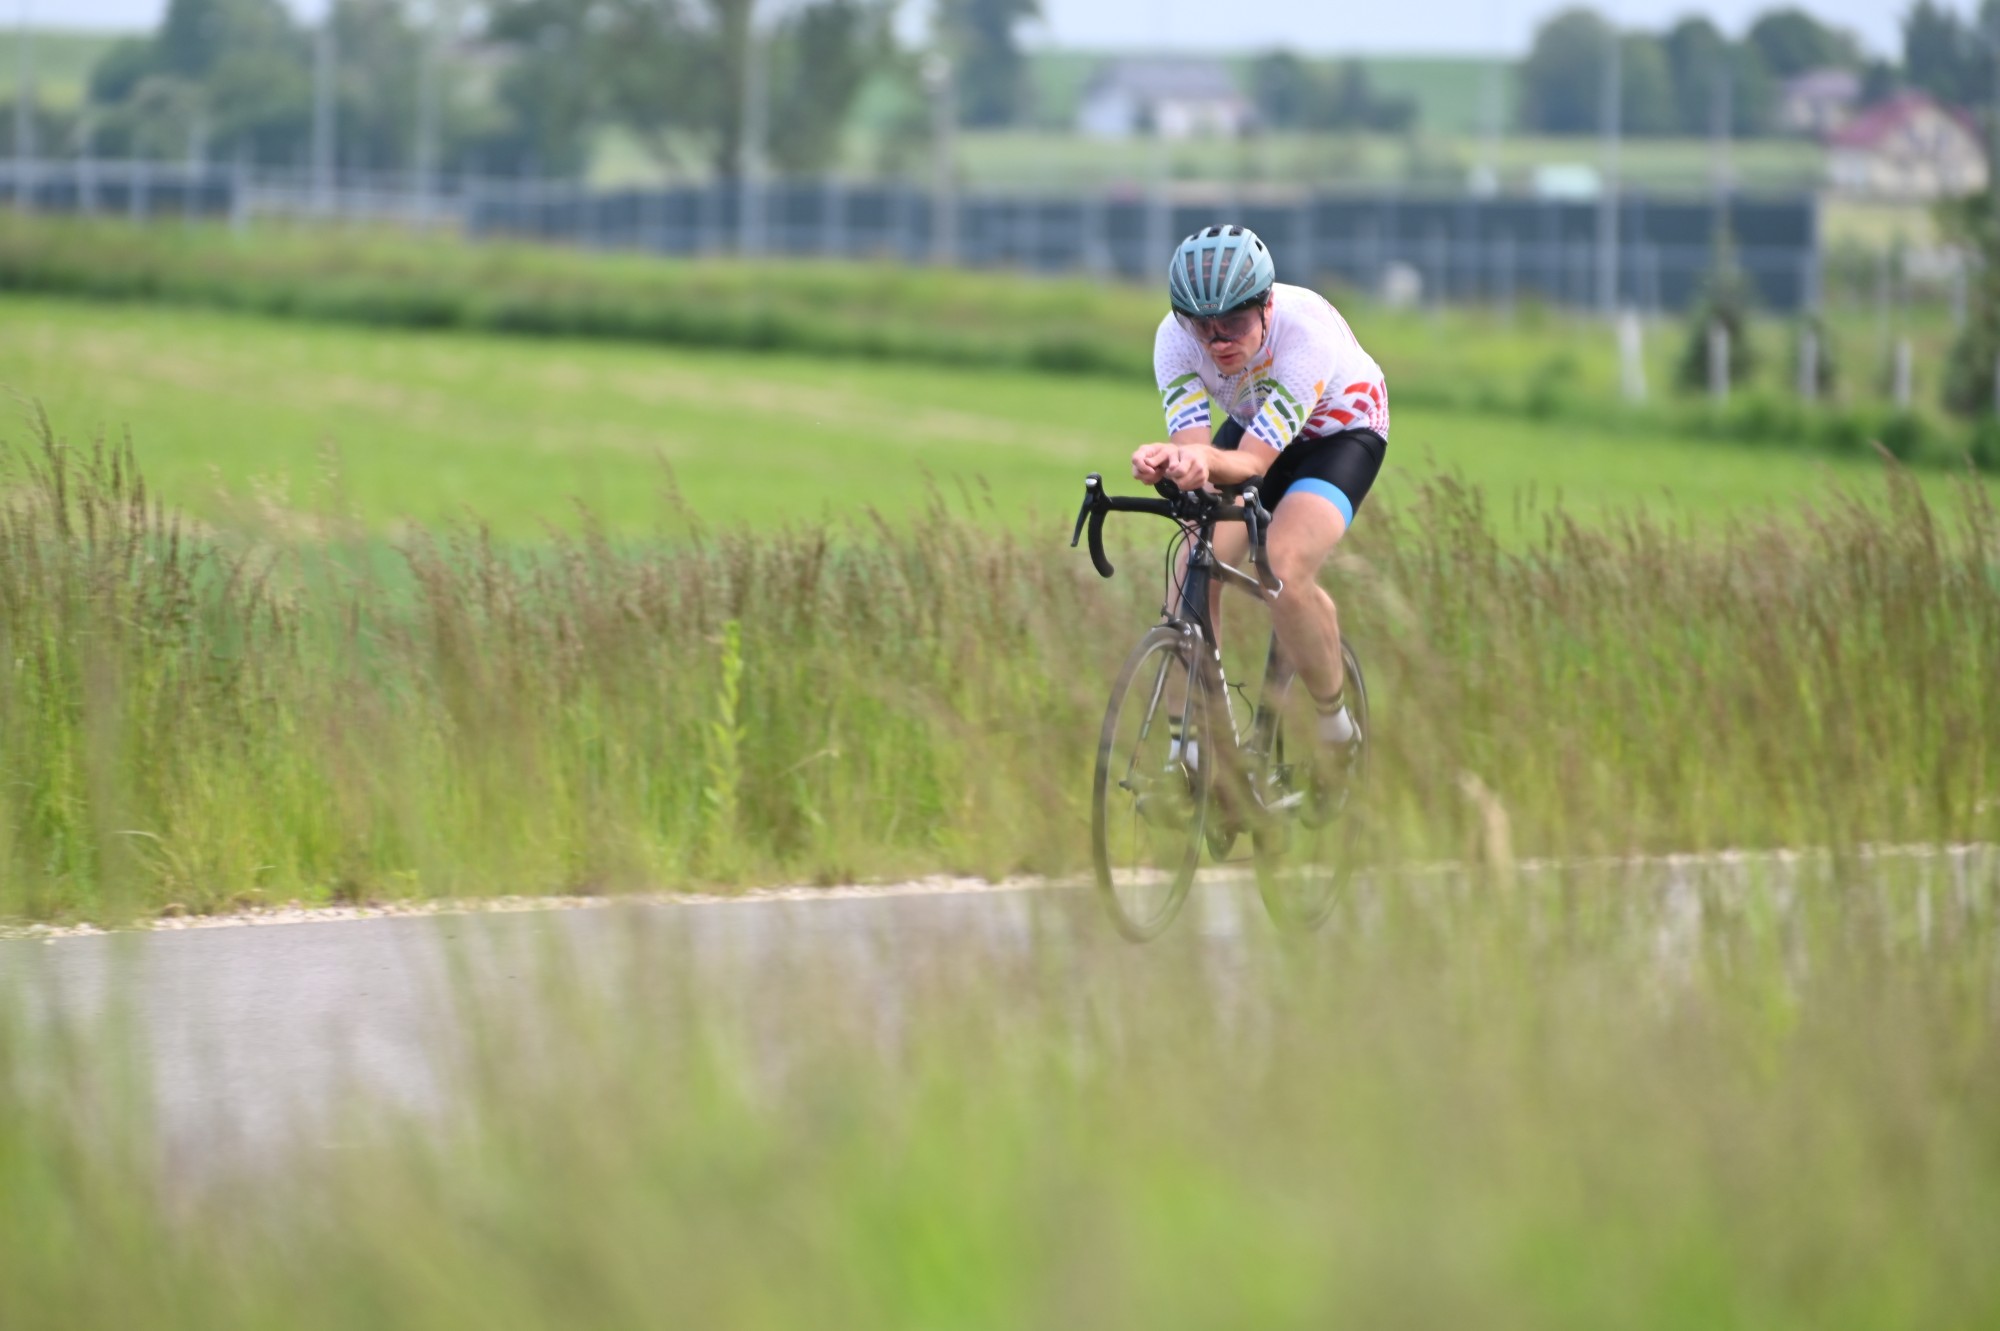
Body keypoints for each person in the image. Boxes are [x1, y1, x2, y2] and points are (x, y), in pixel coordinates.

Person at [1130, 224, 1388, 759]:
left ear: (1266, 305)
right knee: (1192, 566)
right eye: (1203, 327)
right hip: (1255, 425)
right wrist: (1169, 462)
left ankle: (1335, 723)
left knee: (1284, 567)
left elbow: (1250, 464)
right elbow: (1196, 454)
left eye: (1234, 323)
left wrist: (1200, 461)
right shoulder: (1174, 338)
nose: (1218, 341)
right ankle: (1193, 752)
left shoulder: (1305, 333)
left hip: (1338, 435)